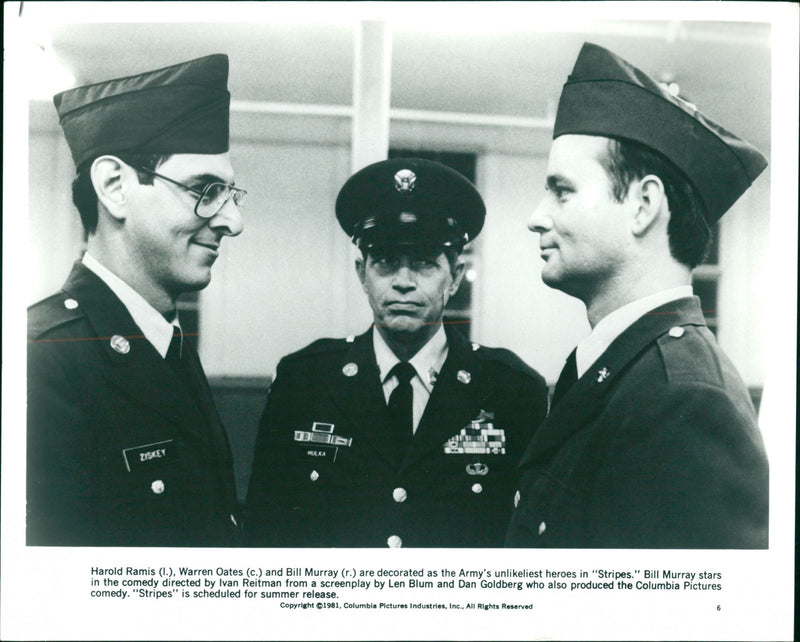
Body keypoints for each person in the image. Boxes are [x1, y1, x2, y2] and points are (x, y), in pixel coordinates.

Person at [505, 43, 769, 548]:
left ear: (643, 205)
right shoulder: (633, 374)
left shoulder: (684, 402)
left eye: (562, 190)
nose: (537, 216)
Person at [246, 158, 548, 547]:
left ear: (454, 278)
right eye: (387, 262)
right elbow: (264, 533)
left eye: (423, 263)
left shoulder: (511, 390)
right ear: (362, 274)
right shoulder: (304, 381)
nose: (403, 282)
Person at [27, 54, 246, 546]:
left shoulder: (164, 341)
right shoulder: (38, 359)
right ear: (114, 187)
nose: (234, 221)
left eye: (231, 194)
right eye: (205, 189)